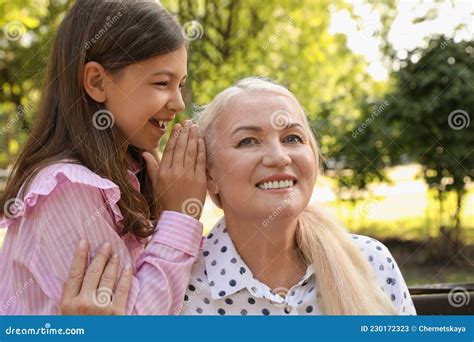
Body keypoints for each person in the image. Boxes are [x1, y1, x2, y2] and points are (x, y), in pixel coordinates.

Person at [61, 77, 417, 315]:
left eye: (293, 138)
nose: (279, 157)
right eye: (248, 141)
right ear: (209, 176)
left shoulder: (372, 263)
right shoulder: (171, 288)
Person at [0, 0, 206, 315]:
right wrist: (180, 217)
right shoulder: (66, 189)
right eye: (162, 83)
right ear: (97, 82)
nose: (178, 103)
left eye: (180, 84)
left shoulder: (130, 175)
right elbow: (132, 321)